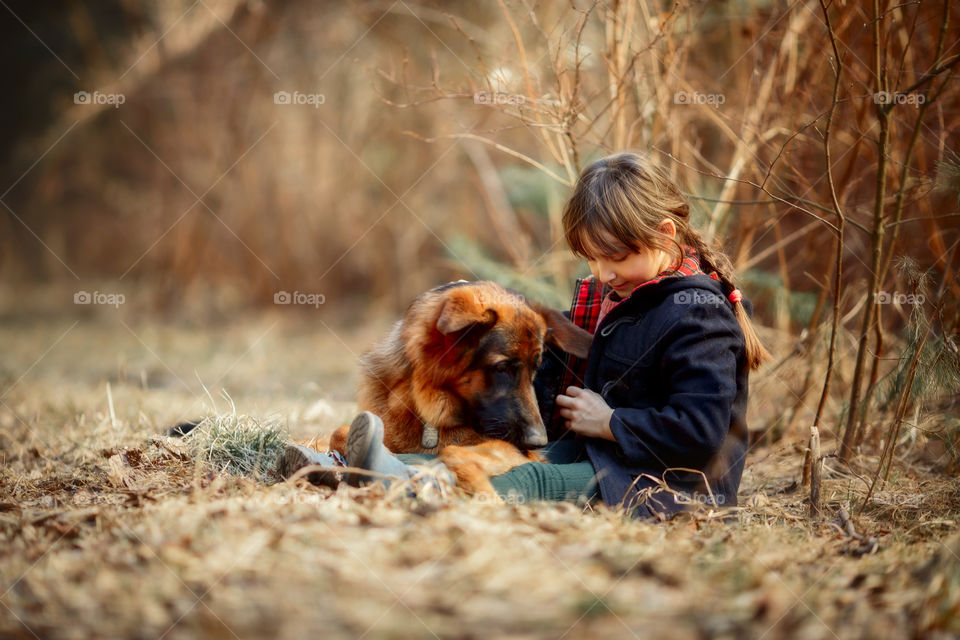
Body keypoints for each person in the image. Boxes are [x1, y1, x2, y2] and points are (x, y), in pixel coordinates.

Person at [279, 152, 769, 518]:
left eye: (615, 257)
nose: (602, 274)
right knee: (489, 456)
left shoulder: (698, 314)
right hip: (606, 452)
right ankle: (359, 465)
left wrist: (612, 422)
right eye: (590, 258)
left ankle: (406, 486)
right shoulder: (627, 300)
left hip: (671, 482)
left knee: (530, 475)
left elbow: (703, 434)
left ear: (664, 233)